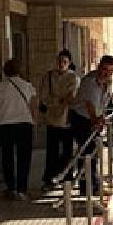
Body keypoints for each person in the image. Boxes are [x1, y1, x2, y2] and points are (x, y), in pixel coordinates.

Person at [67, 55, 113, 201]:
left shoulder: (107, 82)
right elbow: (90, 105)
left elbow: (102, 103)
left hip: (92, 118)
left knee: (92, 152)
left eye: (110, 71)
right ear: (98, 66)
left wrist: (100, 118)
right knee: (87, 152)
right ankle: (89, 187)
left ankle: (93, 185)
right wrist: (96, 121)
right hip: (81, 119)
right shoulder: (90, 82)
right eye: (104, 69)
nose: (106, 73)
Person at [0, 59, 38, 200]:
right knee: (24, 157)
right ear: (20, 70)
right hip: (24, 125)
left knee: (7, 157)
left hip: (5, 125)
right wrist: (34, 122)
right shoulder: (28, 86)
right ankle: (22, 190)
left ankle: (11, 187)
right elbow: (33, 107)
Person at [39, 49, 79, 193]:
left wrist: (58, 100)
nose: (62, 64)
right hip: (52, 119)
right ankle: (49, 178)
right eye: (60, 61)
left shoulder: (73, 78)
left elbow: (72, 96)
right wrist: (60, 100)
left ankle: (66, 176)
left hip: (67, 119)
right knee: (52, 151)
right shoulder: (49, 77)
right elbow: (44, 97)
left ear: (69, 63)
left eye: (65, 62)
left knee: (67, 151)